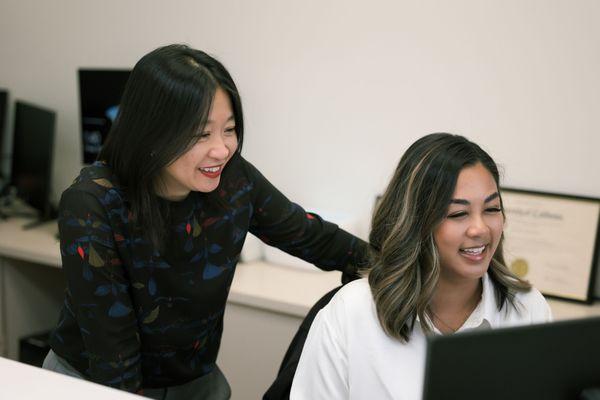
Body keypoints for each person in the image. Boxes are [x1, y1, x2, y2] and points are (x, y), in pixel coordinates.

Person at [42, 44, 369, 399]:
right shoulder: (93, 203)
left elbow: (313, 237)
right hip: (95, 383)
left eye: (229, 129)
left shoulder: (233, 180)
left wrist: (400, 271)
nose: (222, 150)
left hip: (192, 381)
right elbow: (114, 357)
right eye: (201, 134)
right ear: (151, 131)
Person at [290, 133, 552, 400]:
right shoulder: (351, 313)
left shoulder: (528, 309)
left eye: (492, 209)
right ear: (416, 224)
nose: (480, 228)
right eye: (458, 214)